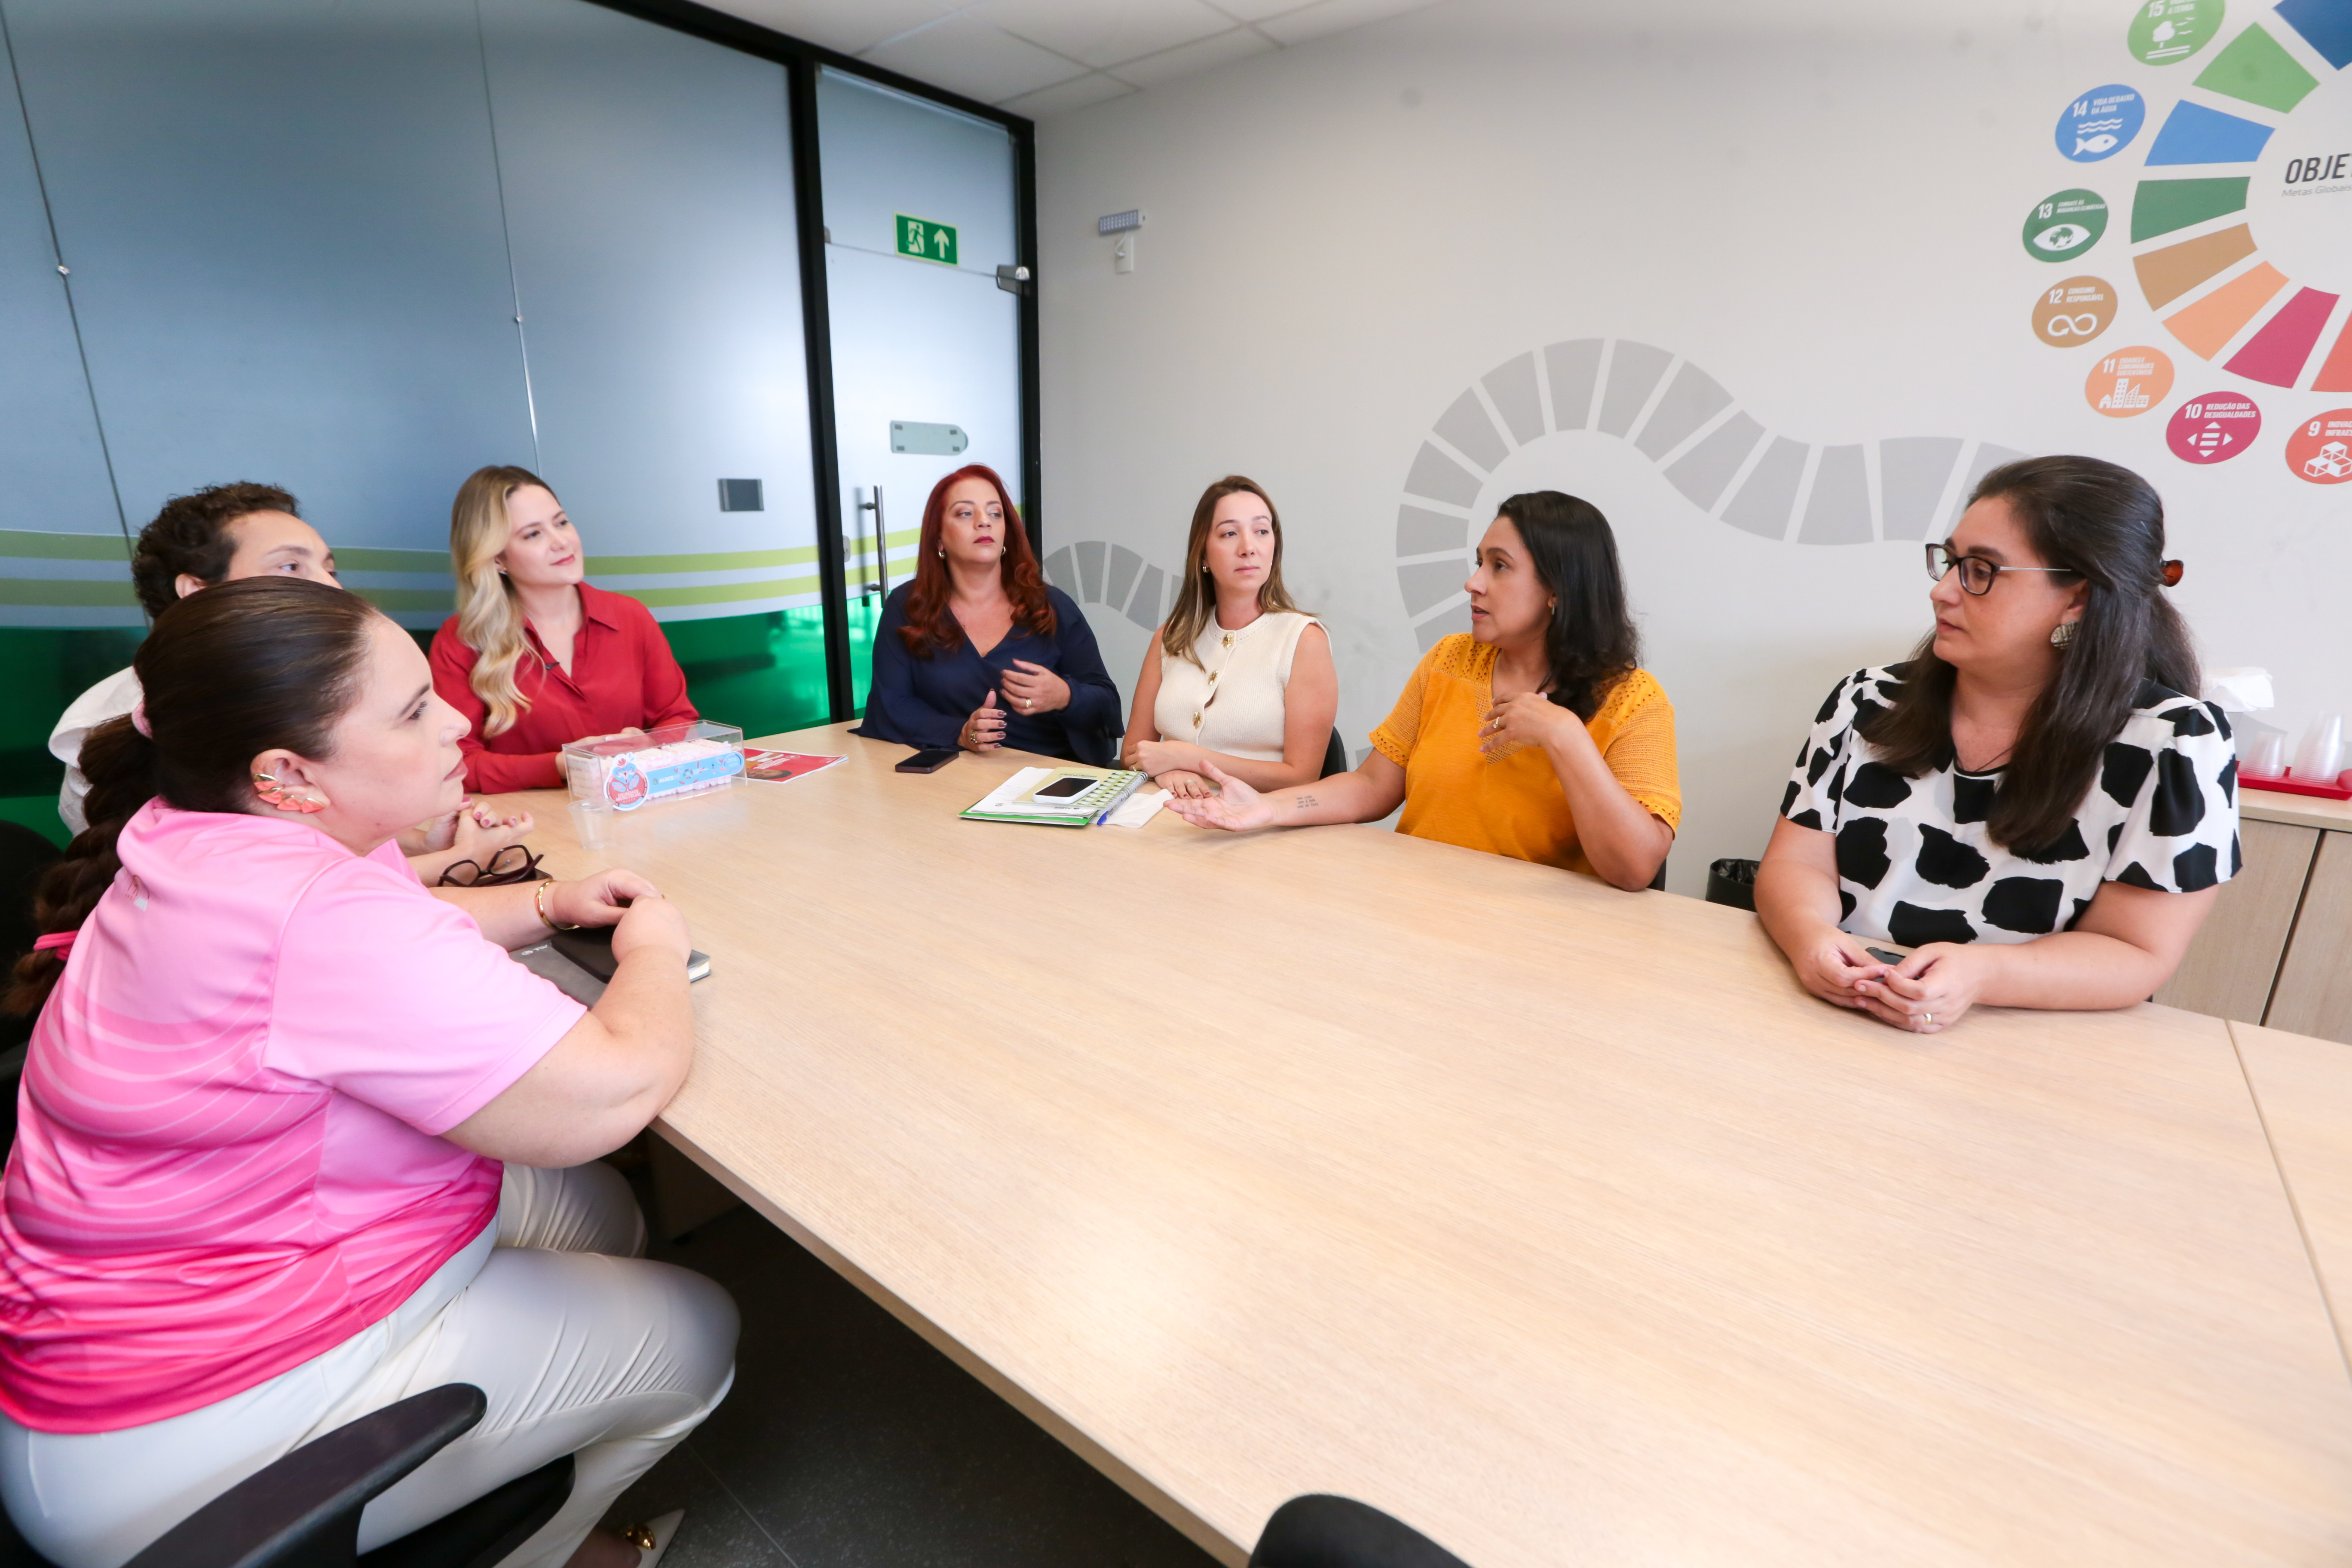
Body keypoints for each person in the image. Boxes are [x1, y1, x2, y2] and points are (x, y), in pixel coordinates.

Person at [0, 577, 734, 1568]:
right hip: (186, 1438)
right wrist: (654, 949)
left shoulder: (197, 838)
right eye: (414, 710)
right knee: (700, 1331)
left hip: (136, 1323)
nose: (456, 723)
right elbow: (615, 1089)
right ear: (288, 774)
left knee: (603, 1215)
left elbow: (390, 930)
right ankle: (564, 1554)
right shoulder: (313, 914)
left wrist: (548, 905)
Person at [1754, 455, 2236, 1035]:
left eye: (1981, 571)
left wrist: (1980, 975)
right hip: (1839, 1014)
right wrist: (1810, 937)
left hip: (2025, 1037)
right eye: (1951, 562)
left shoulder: (2176, 742)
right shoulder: (1869, 699)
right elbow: (1797, 862)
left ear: (2078, 598)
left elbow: (2136, 951)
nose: (1942, 592)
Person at [1166, 491, 1679, 891]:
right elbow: (1372, 786)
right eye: (1479, 562)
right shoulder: (1450, 661)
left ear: (1557, 591)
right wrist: (1267, 810)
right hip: (1415, 906)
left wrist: (1565, 737)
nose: (1474, 583)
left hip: (1537, 944)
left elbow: (1636, 868)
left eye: (1499, 566)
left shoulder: (1634, 701)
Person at [46, 482, 530, 883]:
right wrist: (455, 863)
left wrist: (423, 845)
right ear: (196, 592)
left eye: (330, 569)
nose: (332, 588)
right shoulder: (143, 722)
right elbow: (266, 893)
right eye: (291, 568)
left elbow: (306, 831)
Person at [431, 466, 698, 792]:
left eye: (561, 523)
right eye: (533, 534)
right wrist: (561, 765)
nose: (561, 542)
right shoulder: (462, 640)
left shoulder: (631, 616)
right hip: (532, 820)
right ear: (497, 559)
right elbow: (457, 762)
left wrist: (651, 744)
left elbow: (679, 719)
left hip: (636, 806)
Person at [858, 464, 1121, 766]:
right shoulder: (907, 606)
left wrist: (1065, 696)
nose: (984, 522)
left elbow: (1108, 705)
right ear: (939, 538)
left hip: (1049, 774)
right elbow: (890, 705)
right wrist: (960, 733)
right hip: (953, 775)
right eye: (965, 513)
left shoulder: (1051, 605)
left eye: (995, 514)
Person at [1118, 476, 1338, 799]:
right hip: (1168, 814)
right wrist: (1167, 771)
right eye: (1230, 533)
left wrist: (1187, 759)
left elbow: (1302, 778)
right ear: (1203, 555)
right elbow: (1131, 756)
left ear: (1274, 547)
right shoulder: (1170, 638)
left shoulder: (1304, 640)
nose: (1248, 548)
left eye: (1261, 531)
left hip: (1260, 820)